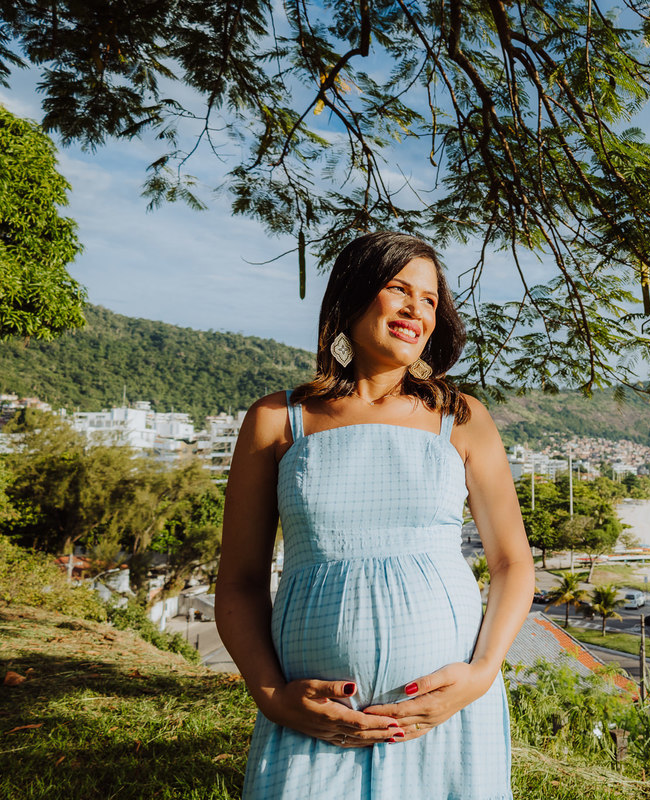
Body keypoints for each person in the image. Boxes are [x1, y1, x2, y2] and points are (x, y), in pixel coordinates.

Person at [215, 232, 534, 799]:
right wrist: (272, 696)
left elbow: (512, 562)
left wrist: (481, 674)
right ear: (353, 296)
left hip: (446, 716)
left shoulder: (462, 418)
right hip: (313, 723)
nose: (417, 310)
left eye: (430, 299)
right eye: (399, 289)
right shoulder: (277, 419)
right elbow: (240, 582)